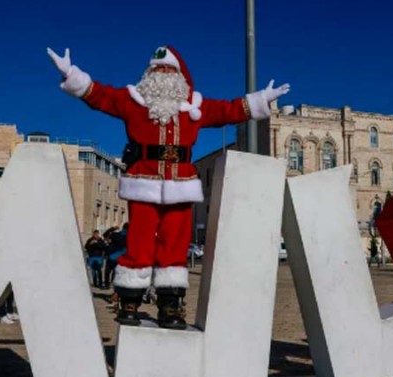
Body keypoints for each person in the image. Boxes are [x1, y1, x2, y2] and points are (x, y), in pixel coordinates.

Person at [48, 45, 290, 329]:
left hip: (181, 183)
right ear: (148, 74)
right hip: (143, 180)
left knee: (175, 242)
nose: (161, 73)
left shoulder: (195, 106)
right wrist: (72, 73)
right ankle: (129, 300)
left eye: (167, 69)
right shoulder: (132, 101)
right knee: (138, 239)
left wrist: (262, 99)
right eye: (156, 69)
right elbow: (100, 96)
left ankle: (170, 304)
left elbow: (228, 110)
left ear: (180, 75)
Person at [104, 223, 128, 289]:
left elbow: (105, 234)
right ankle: (113, 284)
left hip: (112, 256)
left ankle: (107, 284)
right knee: (116, 271)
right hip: (121, 257)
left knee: (107, 270)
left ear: (123, 228)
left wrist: (113, 228)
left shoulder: (116, 235)